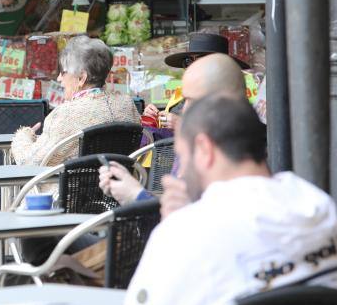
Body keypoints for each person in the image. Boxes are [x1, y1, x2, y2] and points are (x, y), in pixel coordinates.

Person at [104, 95, 337, 305]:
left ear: (205, 149)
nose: (182, 171)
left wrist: (182, 225)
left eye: (182, 157)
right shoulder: (318, 206)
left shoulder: (186, 231)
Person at [99, 53, 246, 208]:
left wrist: (135, 195)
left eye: (192, 100)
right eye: (188, 61)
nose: (186, 107)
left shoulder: (214, 155)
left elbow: (179, 220)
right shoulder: (218, 145)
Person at [11, 35, 140, 168]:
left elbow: (30, 162)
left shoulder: (65, 114)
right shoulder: (127, 104)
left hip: (69, 188)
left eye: (63, 72)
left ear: (81, 78)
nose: (59, 78)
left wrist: (23, 136)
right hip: (120, 186)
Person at [141, 32, 248, 130]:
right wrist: (156, 118)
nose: (192, 66)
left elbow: (228, 135)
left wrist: (180, 124)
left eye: (201, 60)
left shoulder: (229, 97)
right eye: (188, 61)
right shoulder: (181, 95)